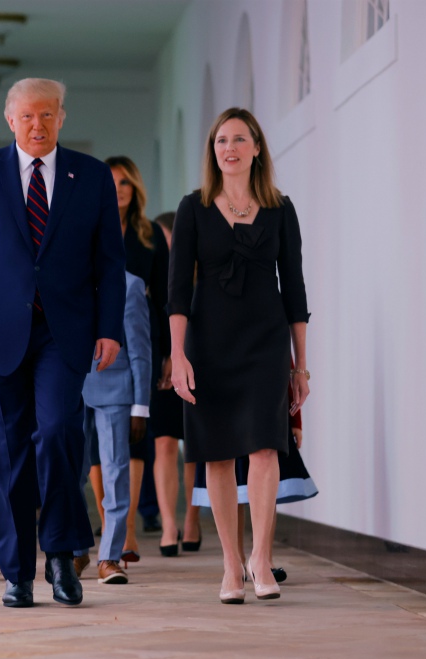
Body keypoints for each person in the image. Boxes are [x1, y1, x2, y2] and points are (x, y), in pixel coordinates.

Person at [0, 78, 125, 609]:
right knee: (5, 449)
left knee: (61, 433)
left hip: (63, 332)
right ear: (10, 119)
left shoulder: (90, 176)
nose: (37, 125)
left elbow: (110, 261)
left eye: (47, 115)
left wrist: (109, 326)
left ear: (62, 117)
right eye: (26, 116)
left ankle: (62, 555)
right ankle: (17, 572)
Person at [167, 107, 310, 604]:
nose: (229, 148)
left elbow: (294, 290)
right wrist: (177, 356)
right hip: (208, 344)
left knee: (267, 447)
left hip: (266, 344)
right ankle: (231, 565)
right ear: (214, 151)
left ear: (256, 149)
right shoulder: (193, 208)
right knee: (219, 452)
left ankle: (261, 559)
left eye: (239, 139)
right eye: (221, 140)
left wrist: (301, 365)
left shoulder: (279, 209)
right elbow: (177, 291)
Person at [191, 358, 318, 581]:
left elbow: (284, 364)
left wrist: (294, 418)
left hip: (261, 389)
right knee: (235, 483)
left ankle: (264, 558)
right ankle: (236, 559)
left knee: (267, 483)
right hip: (225, 389)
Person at [78, 270, 151, 584]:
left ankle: (109, 556)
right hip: (68, 386)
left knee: (116, 472)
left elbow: (139, 349)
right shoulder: (66, 277)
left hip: (115, 390)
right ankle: (76, 549)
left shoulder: (131, 285)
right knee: (68, 472)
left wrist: (141, 406)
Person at [149, 211, 202, 556]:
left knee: (196, 447)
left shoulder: (198, 275)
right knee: (165, 444)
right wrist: (164, 357)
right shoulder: (154, 279)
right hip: (162, 365)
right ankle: (169, 524)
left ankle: (193, 519)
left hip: (199, 362)